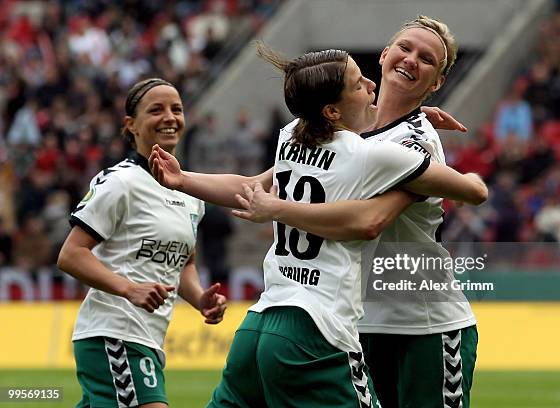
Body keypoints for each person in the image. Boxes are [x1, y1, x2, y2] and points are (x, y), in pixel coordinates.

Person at [150, 41, 486, 407]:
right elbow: (464, 193)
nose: (370, 87)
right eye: (359, 84)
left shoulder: (292, 135)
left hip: (264, 317)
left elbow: (249, 189)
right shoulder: (376, 155)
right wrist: (460, 167)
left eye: (427, 59)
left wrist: (184, 178)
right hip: (319, 326)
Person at [57, 78, 227, 408]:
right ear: (131, 125)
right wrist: (127, 288)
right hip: (114, 332)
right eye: (156, 110)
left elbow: (185, 262)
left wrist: (198, 298)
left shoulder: (191, 193)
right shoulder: (120, 182)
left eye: (176, 109)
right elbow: (71, 254)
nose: (170, 117)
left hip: (148, 338)